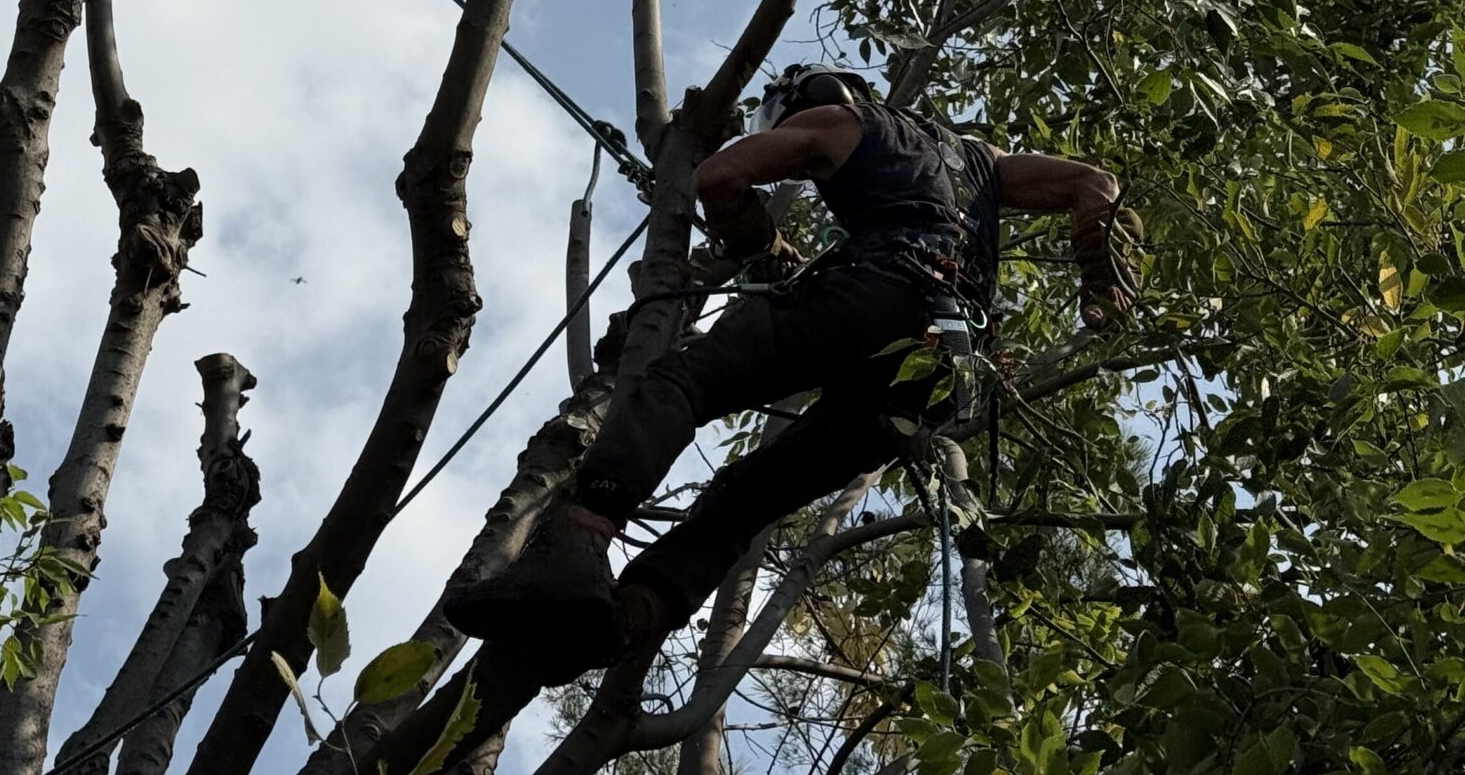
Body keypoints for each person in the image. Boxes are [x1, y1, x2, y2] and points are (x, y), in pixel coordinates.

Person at [447, 68, 1135, 678]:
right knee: (747, 501)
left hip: (878, 289)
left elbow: (718, 178)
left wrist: (757, 242)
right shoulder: (981, 160)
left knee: (686, 381)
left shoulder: (840, 121)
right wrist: (1099, 274)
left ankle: (579, 539)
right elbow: (1094, 183)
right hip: (944, 367)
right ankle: (626, 621)